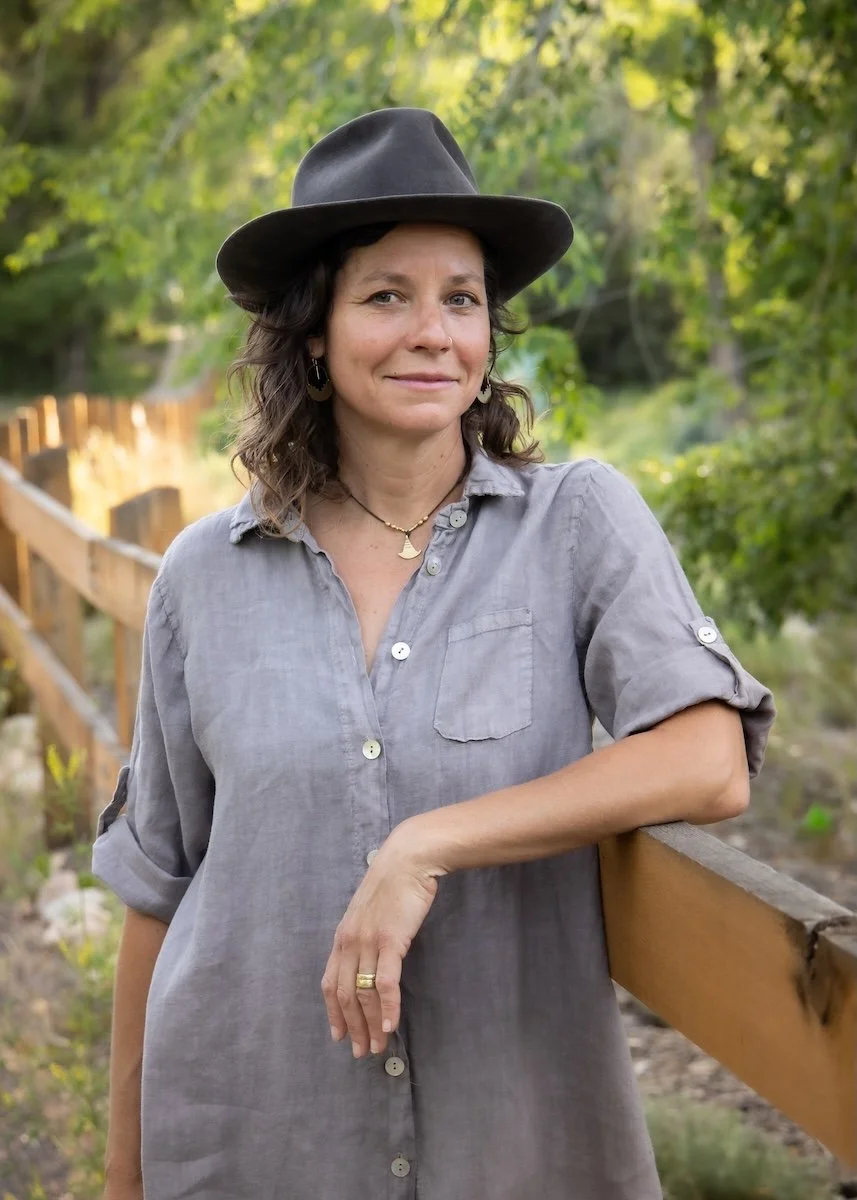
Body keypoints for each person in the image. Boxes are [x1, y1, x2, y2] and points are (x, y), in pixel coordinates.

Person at [92, 107, 775, 1200]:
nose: (432, 332)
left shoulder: (574, 526)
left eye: (460, 299)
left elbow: (707, 758)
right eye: (385, 297)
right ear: (312, 332)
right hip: (256, 1140)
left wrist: (426, 845)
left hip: (511, 1149)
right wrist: (123, 1176)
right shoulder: (202, 577)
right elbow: (155, 888)